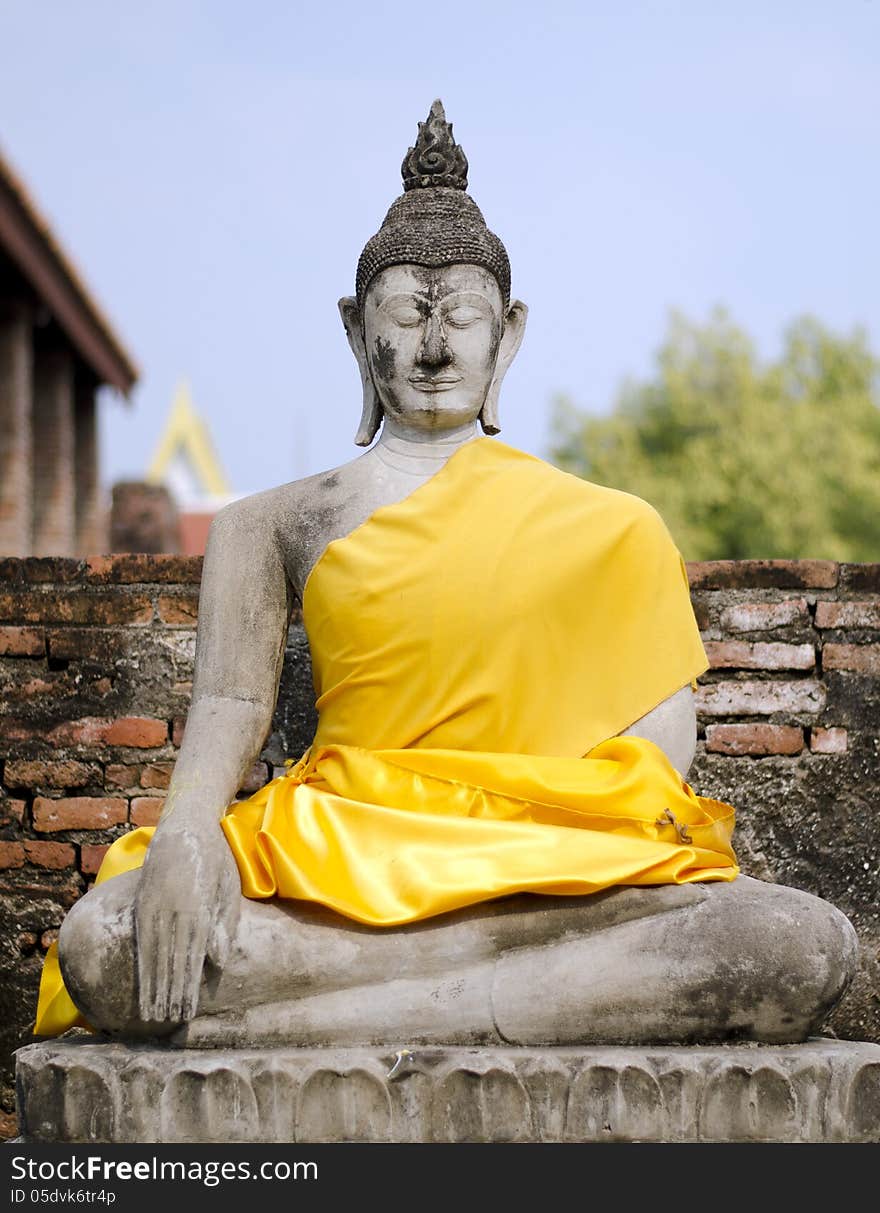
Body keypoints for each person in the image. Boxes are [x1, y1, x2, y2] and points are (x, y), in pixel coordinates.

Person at [37, 102, 857, 1047]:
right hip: (334, 863)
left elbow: (658, 774)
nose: (434, 348)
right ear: (356, 332)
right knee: (106, 943)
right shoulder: (271, 523)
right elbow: (227, 702)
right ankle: (494, 1009)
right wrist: (184, 839)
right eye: (405, 316)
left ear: (507, 334)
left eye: (462, 316)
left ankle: (338, 1026)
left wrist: (517, 829)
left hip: (544, 880)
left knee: (795, 943)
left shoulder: (611, 529)